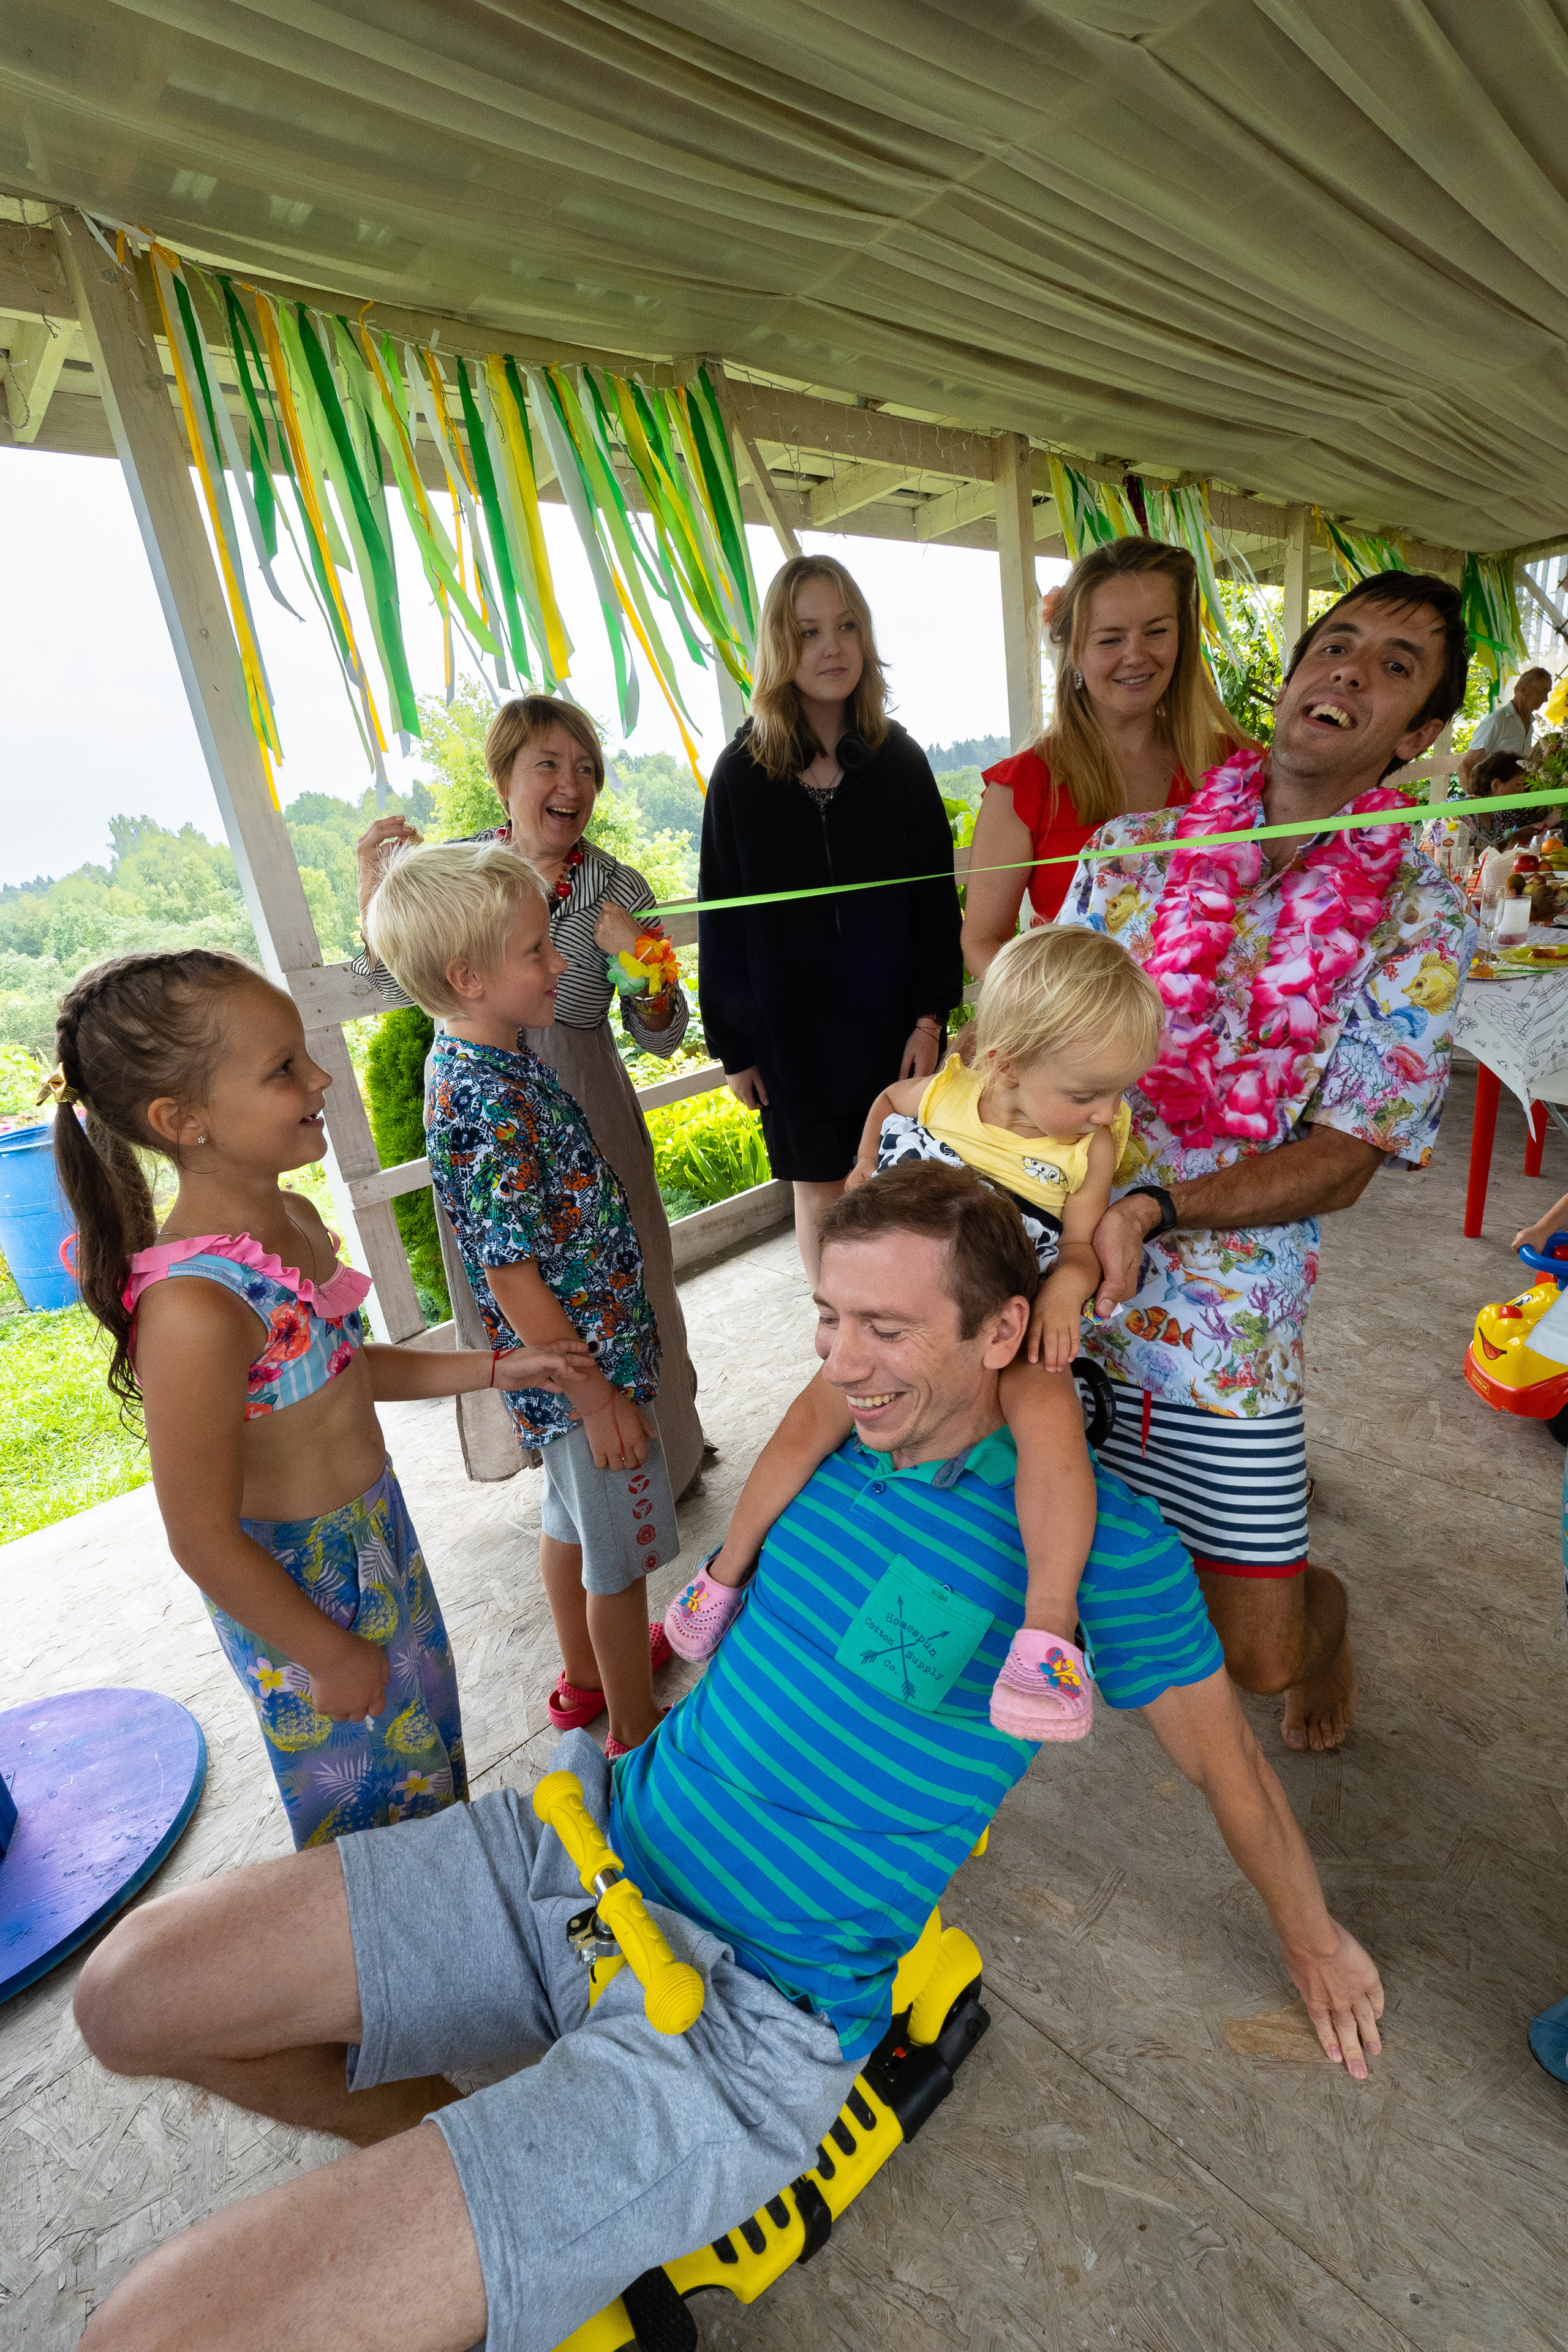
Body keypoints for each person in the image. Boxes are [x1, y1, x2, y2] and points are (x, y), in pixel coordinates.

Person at [71, 1165, 1385, 2352]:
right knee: (125, 1996)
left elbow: (1229, 1772)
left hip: (756, 2012)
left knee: (155, 2334)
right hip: (581, 1855)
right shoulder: (833, 1444)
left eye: (885, 1328)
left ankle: (512, 2194)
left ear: (1000, 1334)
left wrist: (1315, 1943)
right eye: (829, 1316)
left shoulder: (1098, 1549)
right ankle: (450, 2159)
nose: (843, 1362)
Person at [1057, 568, 1474, 1755]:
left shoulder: (1418, 912)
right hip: (1070, 1267)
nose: (1347, 670)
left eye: (1392, 666)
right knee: (1049, 1540)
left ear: (1420, 733)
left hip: (1229, 1310)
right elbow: (1031, 1051)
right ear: (1288, 683)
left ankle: (1323, 1625)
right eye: (1332, 647)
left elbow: (1347, 1156)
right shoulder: (1131, 854)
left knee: (1258, 1655)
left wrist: (1153, 1206)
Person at [45, 950, 592, 1849]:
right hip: (298, 1594)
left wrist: (494, 1368)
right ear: (182, 1122)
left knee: (428, 1768)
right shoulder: (194, 1307)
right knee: (365, 1822)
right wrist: (325, 1651)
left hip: (382, 1542)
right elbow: (201, 1535)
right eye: (283, 1069)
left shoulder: (294, 1226)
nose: (321, 1076)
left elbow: (345, 1371)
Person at [666, 926, 1165, 1744]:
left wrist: (1066, 1293)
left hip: (1010, 1317)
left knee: (1053, 1427)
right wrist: (863, 1171)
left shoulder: (1089, 1149)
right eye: (1089, 1093)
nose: (1112, 1114)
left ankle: (1046, 1636)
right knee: (809, 1419)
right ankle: (721, 1576)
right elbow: (888, 1103)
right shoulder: (944, 1093)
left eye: (1117, 1092)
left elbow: (1077, 1249)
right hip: (909, 1321)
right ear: (1006, 1063)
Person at [368, 840, 679, 1757]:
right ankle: (632, 1726)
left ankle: (586, 1681)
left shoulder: (476, 1057)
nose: (560, 963)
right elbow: (511, 1270)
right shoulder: (489, 1092)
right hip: (581, 1367)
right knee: (616, 1562)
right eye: (539, 951)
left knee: (570, 1523)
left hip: (561, 1364)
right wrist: (598, 1394)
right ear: (469, 976)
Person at [353, 695, 706, 1498]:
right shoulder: (456, 871)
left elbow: (662, 1029)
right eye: (548, 763)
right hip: (488, 1092)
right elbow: (389, 977)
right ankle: (572, 1473)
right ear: (504, 776)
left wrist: (639, 963)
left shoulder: (620, 886)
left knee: (630, 1276)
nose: (571, 784)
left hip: (588, 1103)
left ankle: (665, 1463)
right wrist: (376, 892)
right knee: (516, 1284)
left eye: (586, 768)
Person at [698, 554, 964, 1283]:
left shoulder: (900, 762)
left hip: (893, 1034)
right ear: (781, 648)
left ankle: (904, 1328)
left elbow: (935, 901)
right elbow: (722, 920)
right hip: (792, 1040)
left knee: (899, 1186)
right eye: (810, 631)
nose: (832, 647)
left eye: (846, 626)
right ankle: (839, 1336)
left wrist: (927, 1020)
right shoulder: (739, 776)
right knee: (818, 1190)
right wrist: (736, 1049)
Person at [961, 537, 1250, 965]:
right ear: (1073, 653)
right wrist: (1060, 1009)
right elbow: (983, 943)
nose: (1136, 656)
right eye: (1110, 640)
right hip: (1081, 1026)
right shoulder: (1024, 786)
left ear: (1182, 639)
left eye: (1156, 632)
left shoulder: (1237, 765)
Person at [1456, 665, 1553, 789]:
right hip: (1490, 798)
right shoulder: (1498, 720)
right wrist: (1476, 802)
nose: (1546, 699)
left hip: (1513, 798)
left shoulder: (1530, 722)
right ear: (1524, 690)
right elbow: (1465, 767)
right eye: (1544, 691)